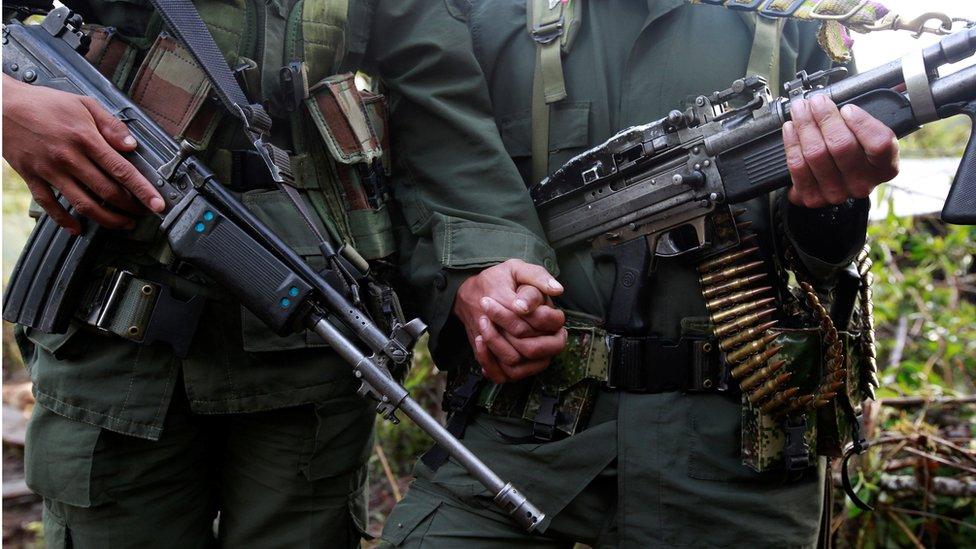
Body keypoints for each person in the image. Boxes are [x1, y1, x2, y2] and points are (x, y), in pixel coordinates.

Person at [1, 0, 533, 546]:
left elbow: (438, 101)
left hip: (309, 344)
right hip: (111, 334)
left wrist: (485, 261)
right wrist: (8, 103)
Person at [383, 1, 899, 547]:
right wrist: (470, 273)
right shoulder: (484, 12)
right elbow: (433, 162)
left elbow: (823, 249)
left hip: (739, 457)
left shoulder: (797, 13)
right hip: (521, 437)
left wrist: (829, 208)